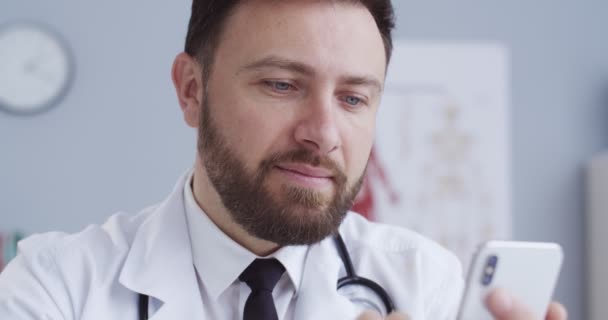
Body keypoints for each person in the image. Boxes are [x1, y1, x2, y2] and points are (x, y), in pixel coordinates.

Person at [0, 1, 567, 319]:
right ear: (191, 90)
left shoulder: (428, 286)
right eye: (281, 84)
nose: (323, 133)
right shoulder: (55, 288)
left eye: (352, 98)